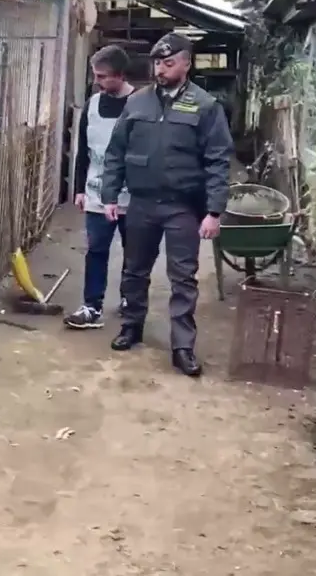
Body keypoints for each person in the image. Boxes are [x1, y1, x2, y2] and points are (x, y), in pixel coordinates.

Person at [99, 33, 234, 377]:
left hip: (182, 207)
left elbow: (218, 160)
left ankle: (182, 346)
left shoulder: (205, 106)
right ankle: (131, 326)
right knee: (134, 270)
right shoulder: (137, 102)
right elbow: (116, 152)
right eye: (157, 63)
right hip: (142, 203)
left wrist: (214, 212)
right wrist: (110, 195)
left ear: (186, 64)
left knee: (183, 278)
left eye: (168, 63)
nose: (160, 69)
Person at [64, 45, 135, 330]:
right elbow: (83, 148)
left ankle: (131, 298)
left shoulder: (141, 104)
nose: (97, 81)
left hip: (132, 195)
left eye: (103, 76)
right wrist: (79, 189)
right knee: (96, 250)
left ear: (120, 75)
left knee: (134, 251)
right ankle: (91, 306)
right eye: (96, 75)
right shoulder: (92, 105)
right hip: (97, 192)